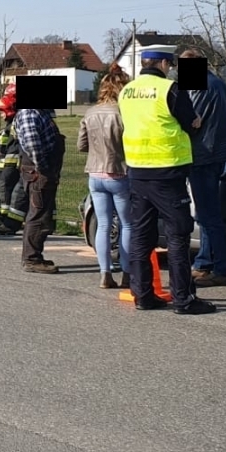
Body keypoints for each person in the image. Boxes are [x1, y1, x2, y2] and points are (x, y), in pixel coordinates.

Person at [117, 46, 216, 313]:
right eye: (170, 64)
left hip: (137, 171)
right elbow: (191, 122)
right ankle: (183, 298)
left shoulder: (126, 91)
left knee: (141, 236)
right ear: (162, 64)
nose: (171, 68)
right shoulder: (169, 89)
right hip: (168, 171)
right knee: (179, 234)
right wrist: (195, 123)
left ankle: (143, 295)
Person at [180, 48, 226, 287]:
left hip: (205, 154)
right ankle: (204, 262)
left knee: (208, 215)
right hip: (216, 153)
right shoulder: (219, 84)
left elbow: (193, 121)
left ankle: (222, 268)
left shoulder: (203, 87)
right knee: (206, 213)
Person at [78, 66, 133, 289]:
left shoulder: (90, 112)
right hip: (119, 172)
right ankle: (128, 273)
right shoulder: (123, 113)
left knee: (103, 224)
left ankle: (105, 273)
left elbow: (82, 145)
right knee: (127, 225)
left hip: (95, 173)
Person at [13, 88, 65, 273]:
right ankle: (32, 259)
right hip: (38, 171)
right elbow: (33, 144)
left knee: (42, 213)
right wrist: (43, 166)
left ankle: (35, 256)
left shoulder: (38, 111)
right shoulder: (29, 112)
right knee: (38, 214)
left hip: (41, 169)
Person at [0, 84, 28, 236]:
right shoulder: (12, 123)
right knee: (8, 190)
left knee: (13, 191)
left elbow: (14, 149)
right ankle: (6, 220)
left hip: (16, 165)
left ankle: (10, 222)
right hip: (11, 165)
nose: (1, 114)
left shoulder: (19, 121)